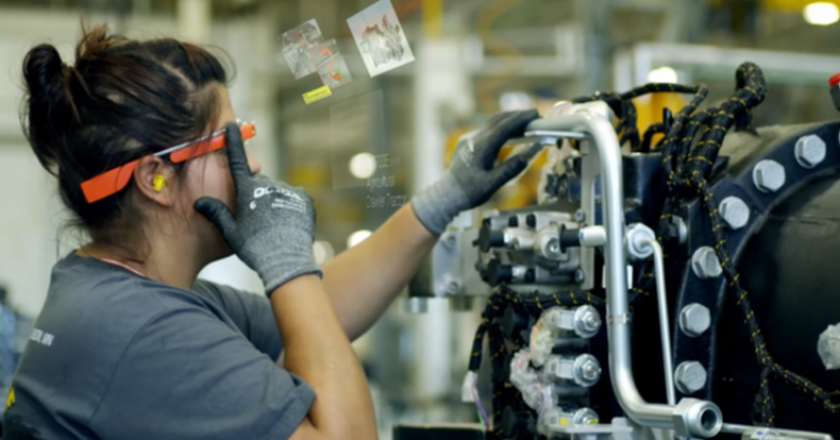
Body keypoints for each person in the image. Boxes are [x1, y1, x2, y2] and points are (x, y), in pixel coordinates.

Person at [3, 25, 540, 440]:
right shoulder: (143, 332)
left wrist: (441, 201)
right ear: (156, 177)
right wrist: (285, 262)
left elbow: (312, 319)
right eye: (227, 147)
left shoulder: (117, 290)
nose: (251, 165)